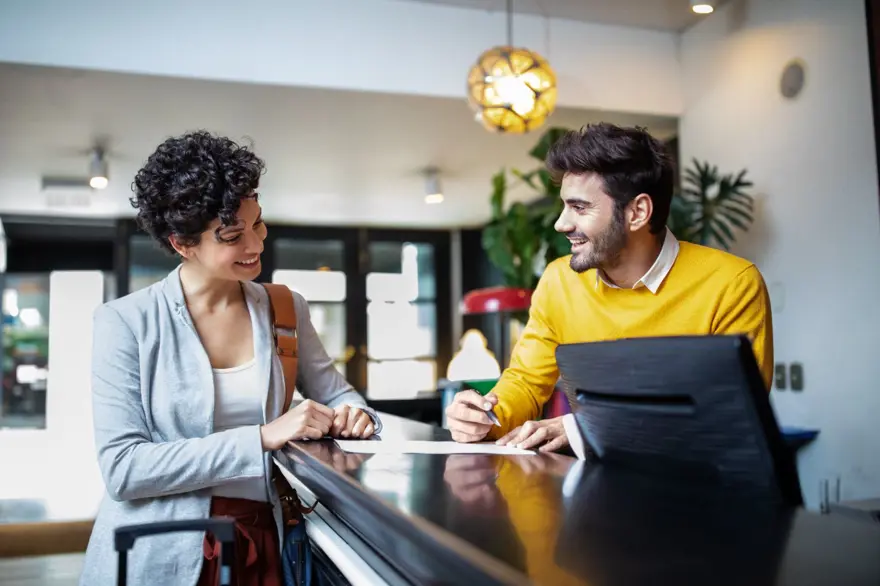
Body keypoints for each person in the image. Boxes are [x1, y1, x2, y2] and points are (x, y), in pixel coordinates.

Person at [80, 131, 381, 586]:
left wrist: (355, 416)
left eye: (258, 224)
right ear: (184, 243)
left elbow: (339, 393)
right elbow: (124, 468)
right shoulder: (124, 322)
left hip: (263, 539)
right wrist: (260, 437)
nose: (256, 244)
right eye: (232, 236)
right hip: (161, 549)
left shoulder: (284, 307)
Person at [445, 123, 773, 452]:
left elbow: (731, 416)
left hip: (703, 492)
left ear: (637, 212)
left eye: (579, 207)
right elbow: (526, 382)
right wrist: (486, 416)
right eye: (564, 206)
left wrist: (584, 426)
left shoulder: (732, 284)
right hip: (597, 487)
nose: (561, 223)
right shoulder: (559, 281)